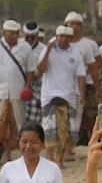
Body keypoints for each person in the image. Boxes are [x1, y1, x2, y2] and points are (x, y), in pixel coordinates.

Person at [37, 25, 87, 167]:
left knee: (66, 130)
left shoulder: (75, 54)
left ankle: (59, 160)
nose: (63, 39)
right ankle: (50, 160)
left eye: (66, 37)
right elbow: (40, 70)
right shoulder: (48, 50)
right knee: (50, 130)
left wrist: (82, 96)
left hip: (68, 96)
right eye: (61, 36)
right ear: (57, 37)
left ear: (71, 39)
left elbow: (81, 76)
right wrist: (47, 50)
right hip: (49, 96)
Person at [64, 11, 102, 146]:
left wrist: (98, 90)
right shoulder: (59, 43)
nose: (75, 26)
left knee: (90, 116)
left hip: (88, 84)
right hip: (66, 87)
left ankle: (92, 143)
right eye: (71, 23)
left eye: (78, 24)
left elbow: (96, 65)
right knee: (69, 117)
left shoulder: (88, 45)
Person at [23, 22, 45, 126]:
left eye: (32, 38)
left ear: (37, 35)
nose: (30, 40)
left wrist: (32, 77)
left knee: (35, 116)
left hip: (37, 85)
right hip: (21, 83)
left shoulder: (43, 49)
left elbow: (43, 69)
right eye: (27, 37)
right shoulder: (19, 45)